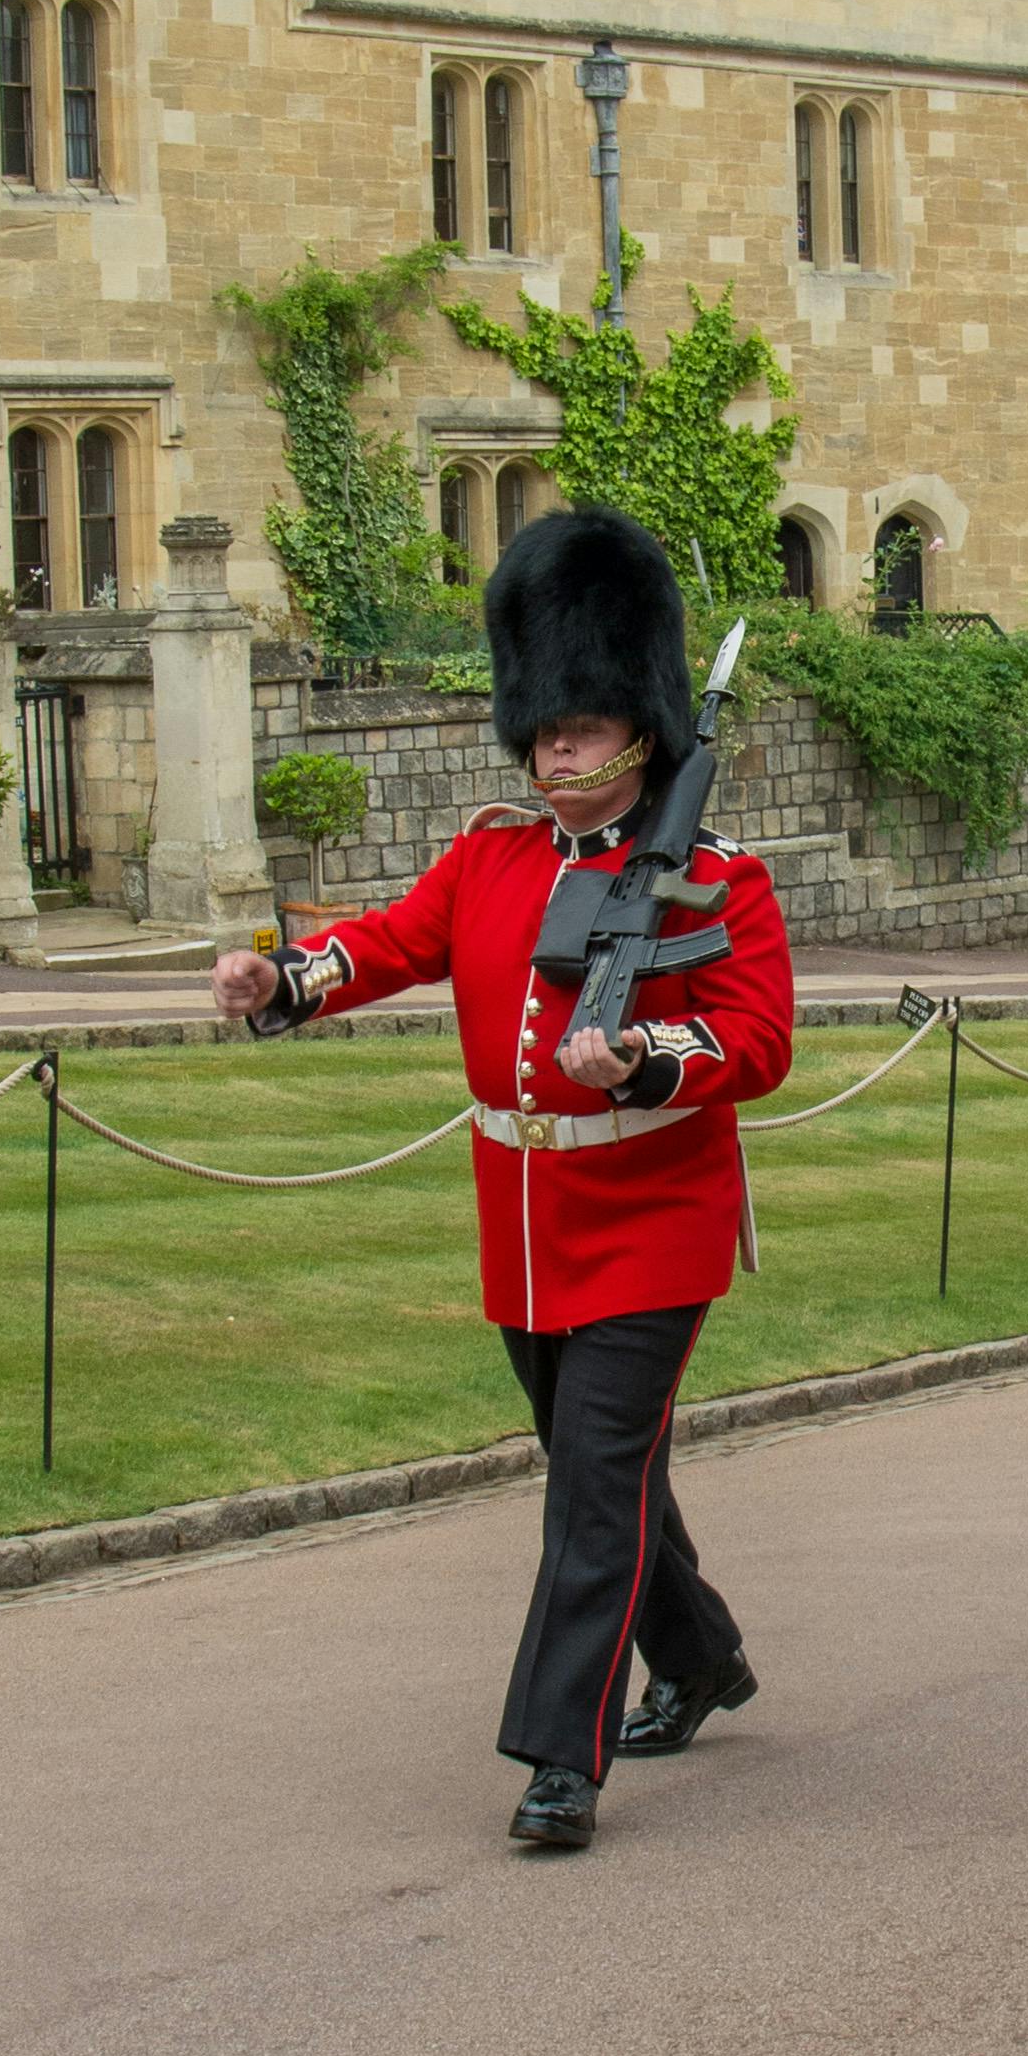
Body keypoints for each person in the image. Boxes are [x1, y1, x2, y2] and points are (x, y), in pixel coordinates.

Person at [211, 506, 795, 1855]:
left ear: (639, 726)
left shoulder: (716, 881)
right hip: (526, 1232)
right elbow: (391, 942)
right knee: (606, 1474)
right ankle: (702, 1657)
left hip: (653, 1228)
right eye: (541, 727)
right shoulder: (492, 858)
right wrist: (283, 980)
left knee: (589, 1486)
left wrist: (643, 1058)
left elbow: (757, 1039)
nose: (553, 746)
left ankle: (558, 1758)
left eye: (578, 725)